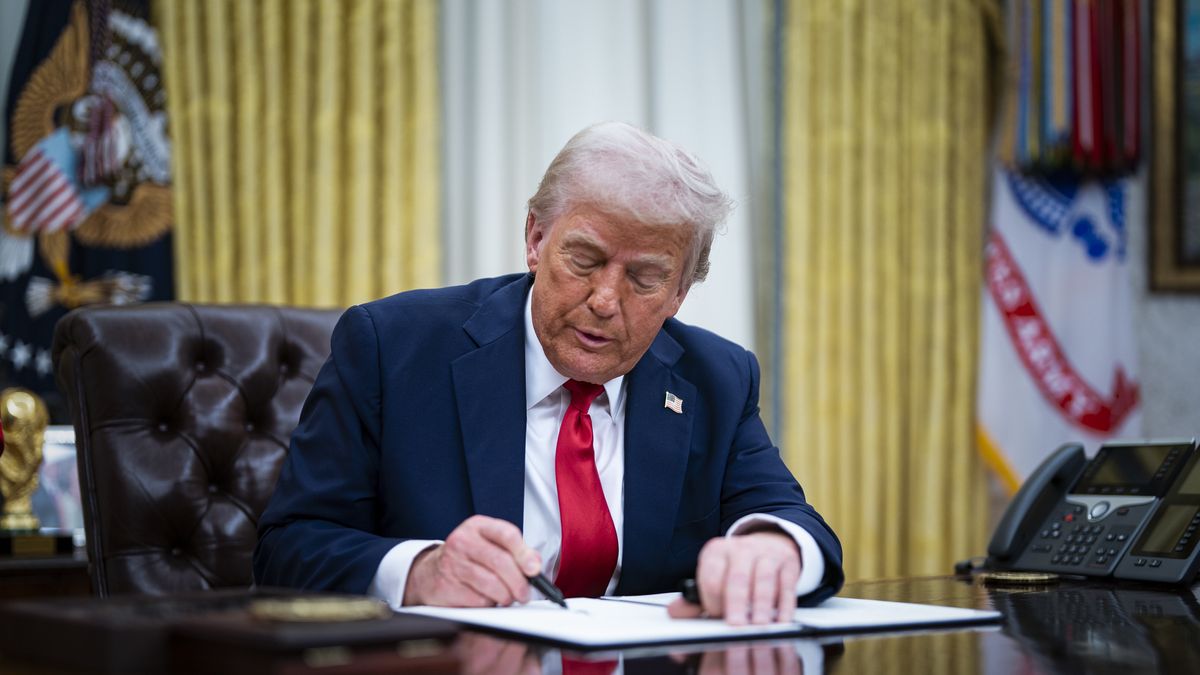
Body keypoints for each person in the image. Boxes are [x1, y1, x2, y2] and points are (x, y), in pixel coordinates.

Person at [254, 122, 843, 625]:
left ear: (680, 294)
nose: (605, 300)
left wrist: (774, 547)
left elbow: (798, 523)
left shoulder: (716, 378)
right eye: (583, 260)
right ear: (536, 239)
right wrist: (421, 572)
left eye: (644, 279)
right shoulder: (392, 348)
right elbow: (289, 546)